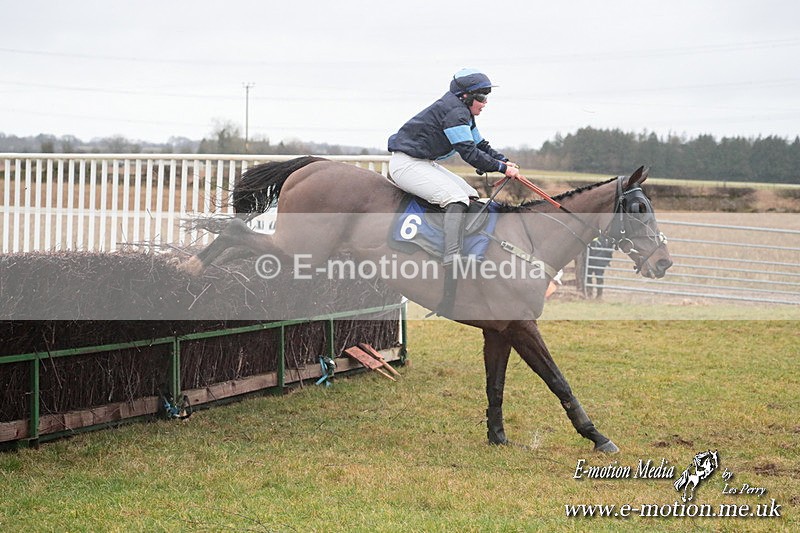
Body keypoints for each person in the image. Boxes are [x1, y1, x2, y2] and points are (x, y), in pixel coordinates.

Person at [387, 68, 521, 314]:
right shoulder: (454, 113)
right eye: (481, 97)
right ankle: (451, 257)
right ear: (465, 97)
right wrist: (501, 168)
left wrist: (505, 161)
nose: (485, 103)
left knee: (469, 193)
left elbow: (481, 145)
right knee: (456, 197)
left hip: (423, 162)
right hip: (406, 164)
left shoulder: (463, 113)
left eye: (486, 97)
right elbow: (468, 153)